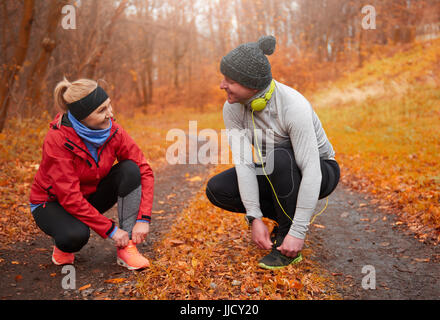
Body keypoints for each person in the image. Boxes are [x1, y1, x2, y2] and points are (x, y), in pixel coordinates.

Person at [206, 36, 340, 270]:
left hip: (320, 170)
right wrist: (254, 217)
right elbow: (245, 164)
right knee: (217, 188)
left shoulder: (292, 106)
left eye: (230, 81)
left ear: (253, 86)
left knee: (278, 157)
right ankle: (284, 217)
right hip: (276, 169)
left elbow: (311, 170)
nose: (221, 85)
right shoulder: (232, 107)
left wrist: (298, 231)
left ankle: (289, 241)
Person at [29, 78, 154, 270]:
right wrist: (111, 230)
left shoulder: (114, 131)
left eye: (109, 106)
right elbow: (69, 197)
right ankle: (63, 245)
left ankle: (127, 247)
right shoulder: (57, 140)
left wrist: (143, 219)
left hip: (87, 196)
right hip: (52, 203)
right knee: (75, 236)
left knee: (130, 169)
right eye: (102, 110)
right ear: (82, 116)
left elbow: (144, 169)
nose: (110, 114)